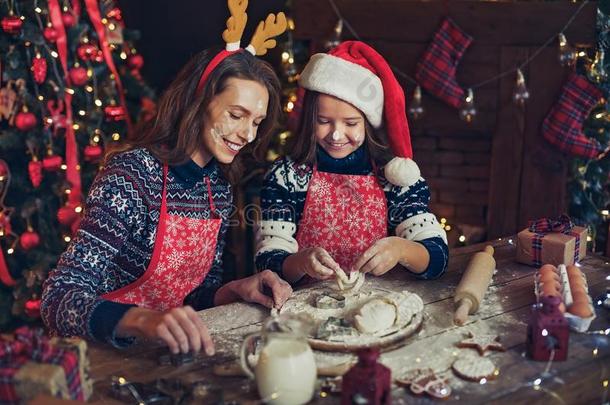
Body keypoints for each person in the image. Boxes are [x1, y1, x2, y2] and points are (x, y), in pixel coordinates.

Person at [42, 1, 292, 355]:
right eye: (237, 115)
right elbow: (59, 298)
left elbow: (194, 297)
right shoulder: (131, 176)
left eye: (256, 122)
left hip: (164, 356)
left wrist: (234, 290)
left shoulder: (217, 188)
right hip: (101, 358)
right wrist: (145, 320)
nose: (248, 134)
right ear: (199, 102)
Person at [255, 41, 448, 284]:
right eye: (323, 121)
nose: (336, 135)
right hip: (304, 311)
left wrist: (401, 249)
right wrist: (301, 261)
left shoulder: (394, 177)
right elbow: (268, 260)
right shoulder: (286, 177)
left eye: (351, 123)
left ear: (368, 124)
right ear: (309, 119)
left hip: (377, 303)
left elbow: (438, 257)